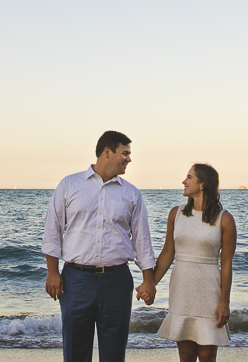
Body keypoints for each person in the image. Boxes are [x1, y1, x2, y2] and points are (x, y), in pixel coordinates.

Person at [42, 131, 157, 362]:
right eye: (125, 153)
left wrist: (148, 280)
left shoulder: (131, 193)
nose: (129, 159)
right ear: (107, 152)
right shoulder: (69, 184)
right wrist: (52, 272)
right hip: (76, 280)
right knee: (75, 352)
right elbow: (52, 230)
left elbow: (142, 240)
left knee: (114, 354)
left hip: (117, 281)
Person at [145, 164, 236, 362]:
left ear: (202, 184)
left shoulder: (225, 219)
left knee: (207, 356)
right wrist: (150, 283)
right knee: (185, 356)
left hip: (209, 292)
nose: (184, 181)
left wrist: (224, 302)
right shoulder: (176, 214)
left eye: (189, 177)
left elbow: (227, 264)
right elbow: (167, 254)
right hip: (182, 290)